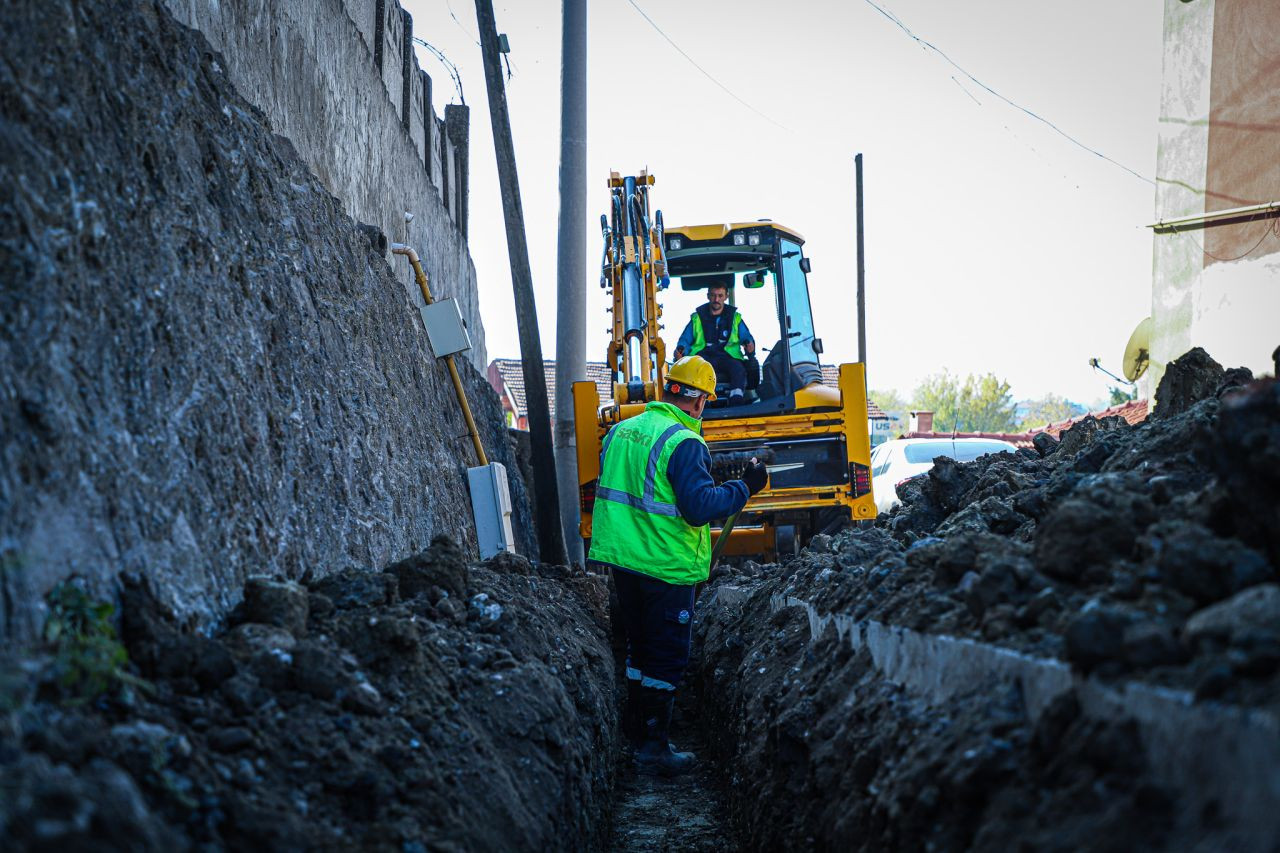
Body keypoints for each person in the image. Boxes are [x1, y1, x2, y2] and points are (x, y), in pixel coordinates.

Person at [588, 356, 769, 776]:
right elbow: (699, 508)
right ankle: (654, 749)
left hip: (624, 562)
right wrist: (746, 486)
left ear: (667, 389)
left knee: (639, 647)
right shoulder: (683, 442)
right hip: (665, 565)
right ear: (700, 401)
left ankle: (635, 734)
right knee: (667, 656)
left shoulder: (621, 431)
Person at [672, 283, 756, 405]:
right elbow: (685, 340)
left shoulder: (735, 318)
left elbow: (746, 337)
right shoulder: (697, 318)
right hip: (703, 357)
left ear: (726, 296)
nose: (716, 299)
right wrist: (681, 350)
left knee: (738, 369)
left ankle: (736, 399)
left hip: (728, 356)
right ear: (708, 296)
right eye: (713, 295)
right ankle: (700, 402)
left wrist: (750, 346)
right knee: (695, 370)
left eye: (720, 296)